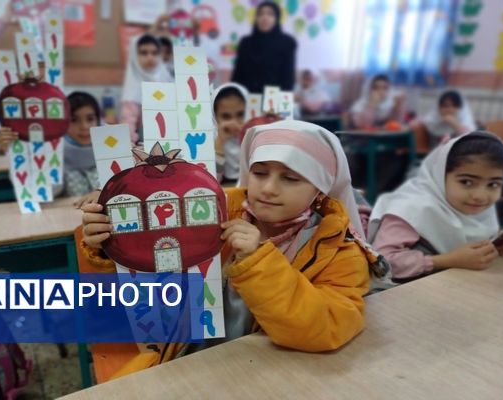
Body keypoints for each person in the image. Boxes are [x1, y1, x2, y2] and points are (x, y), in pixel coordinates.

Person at [78, 120, 392, 378]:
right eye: (259, 173)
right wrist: (112, 245)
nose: (269, 188)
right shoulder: (212, 211)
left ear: (320, 188)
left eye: (291, 178)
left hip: (279, 375)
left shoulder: (339, 250)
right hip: (188, 357)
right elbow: (149, 280)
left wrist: (257, 261)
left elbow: (326, 327)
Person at [368, 131, 503, 282]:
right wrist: (446, 260)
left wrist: (496, 249)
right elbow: (381, 263)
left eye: (493, 184)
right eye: (466, 182)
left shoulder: (478, 209)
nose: (480, 195)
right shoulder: (411, 209)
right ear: (439, 175)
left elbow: (464, 252)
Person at [0, 91, 101, 197]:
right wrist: (18, 152)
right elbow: (38, 193)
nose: (84, 126)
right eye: (74, 120)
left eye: (90, 119)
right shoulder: (53, 153)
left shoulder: (109, 151)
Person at [231, 1, 297, 93]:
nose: (265, 17)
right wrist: (234, 96)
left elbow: (288, 77)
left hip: (275, 100)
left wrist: (283, 103)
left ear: (277, 18)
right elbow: (238, 74)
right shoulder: (246, 43)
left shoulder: (287, 43)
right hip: (247, 98)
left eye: (270, 14)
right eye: (260, 14)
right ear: (256, 18)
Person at [120, 34, 173, 145]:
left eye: (155, 53)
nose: (150, 57)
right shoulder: (132, 88)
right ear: (135, 56)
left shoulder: (168, 80)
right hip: (144, 146)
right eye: (144, 53)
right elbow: (128, 125)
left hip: (171, 142)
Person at [212, 83, 248, 183]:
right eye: (226, 116)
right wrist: (220, 141)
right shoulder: (209, 139)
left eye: (241, 114)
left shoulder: (255, 133)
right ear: (215, 117)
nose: (234, 122)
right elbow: (212, 180)